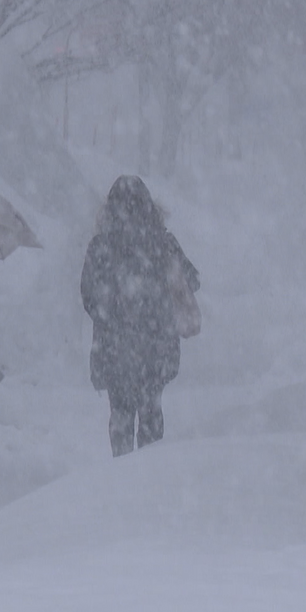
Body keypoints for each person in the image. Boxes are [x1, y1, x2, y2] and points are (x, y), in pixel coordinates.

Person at [81, 175, 199, 457]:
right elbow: (192, 281)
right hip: (155, 349)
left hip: (114, 349)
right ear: (149, 206)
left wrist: (115, 314)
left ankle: (121, 477)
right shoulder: (163, 243)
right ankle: (148, 478)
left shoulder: (101, 246)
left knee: (120, 415)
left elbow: (88, 296)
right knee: (151, 414)